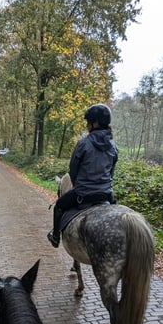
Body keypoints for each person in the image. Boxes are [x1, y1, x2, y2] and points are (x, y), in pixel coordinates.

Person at [47, 103, 118, 248]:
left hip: (84, 194)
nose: (87, 126)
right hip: (105, 195)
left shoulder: (83, 144)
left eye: (88, 122)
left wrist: (80, 188)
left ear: (95, 123)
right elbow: (111, 173)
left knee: (59, 206)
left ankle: (55, 237)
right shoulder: (113, 146)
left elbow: (73, 171)